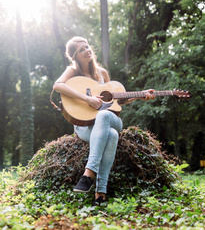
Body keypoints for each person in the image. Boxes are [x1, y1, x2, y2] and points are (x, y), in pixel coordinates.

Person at [53, 36, 155, 205]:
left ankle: (88, 174)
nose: (87, 50)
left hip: (110, 118)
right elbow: (57, 85)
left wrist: (139, 95)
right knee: (112, 135)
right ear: (75, 56)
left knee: (104, 115)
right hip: (84, 128)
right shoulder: (73, 72)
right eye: (81, 50)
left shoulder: (102, 73)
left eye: (87, 47)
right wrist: (87, 99)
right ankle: (100, 194)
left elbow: (115, 101)